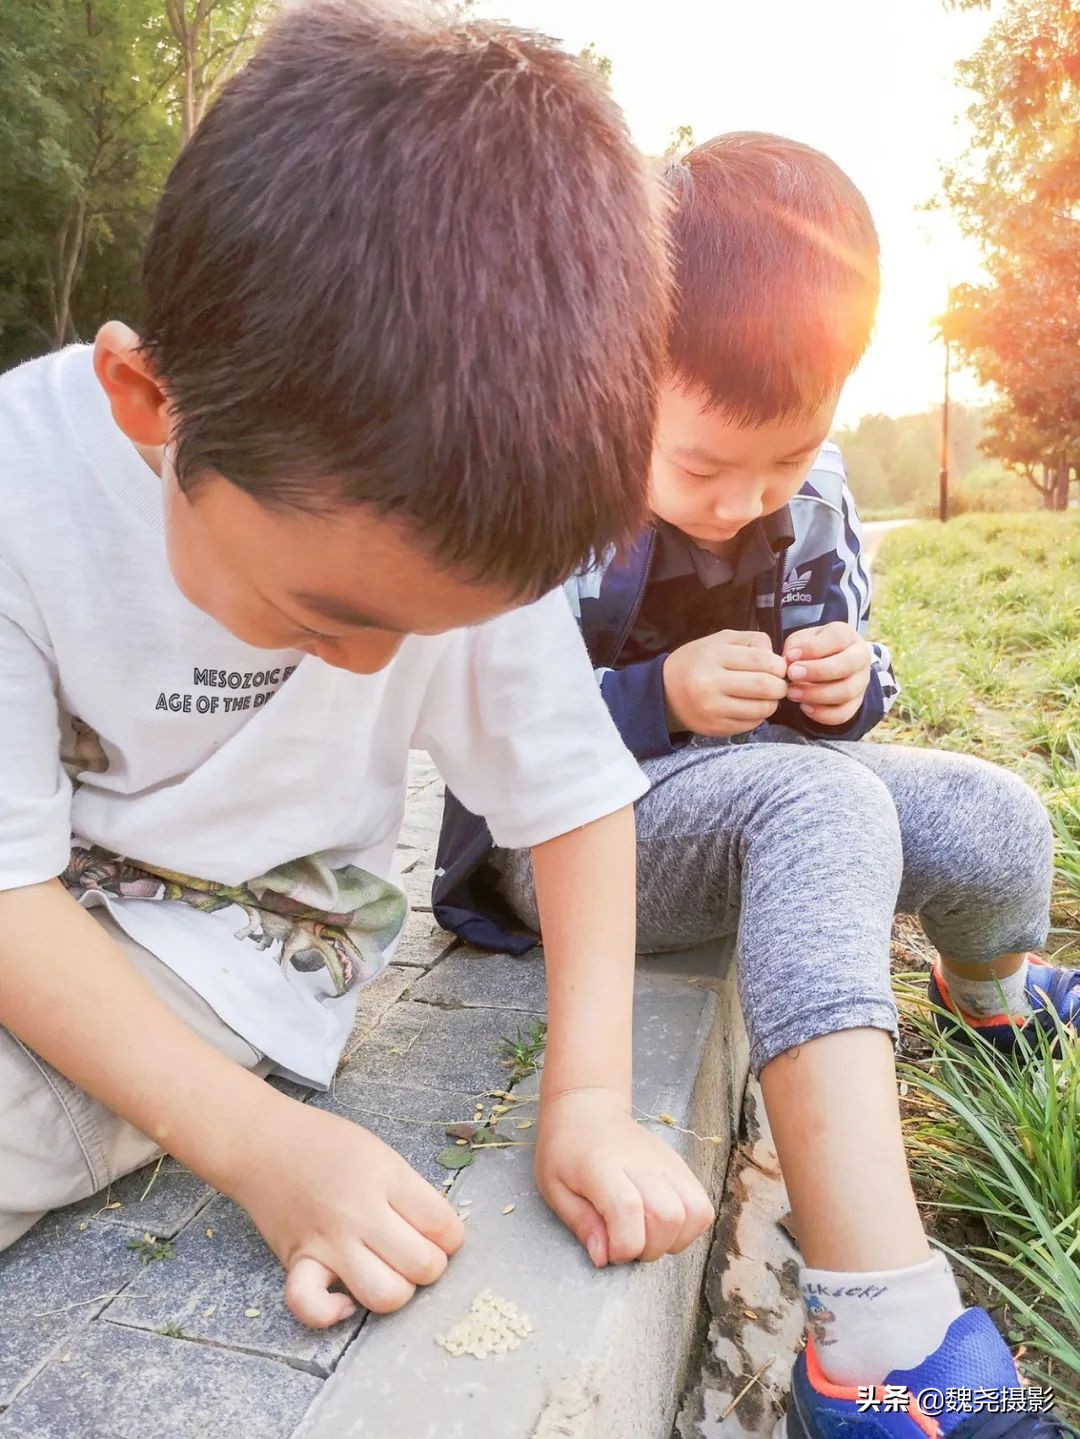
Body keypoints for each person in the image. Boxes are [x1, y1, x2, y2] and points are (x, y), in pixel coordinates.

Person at [0, 0, 718, 1329]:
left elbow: (572, 796)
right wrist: (261, 1151)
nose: (381, 661)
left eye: (431, 628)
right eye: (329, 611)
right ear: (148, 407)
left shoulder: (444, 518)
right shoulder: (18, 489)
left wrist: (590, 1104)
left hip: (239, 933)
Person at [435, 133, 1079, 1436]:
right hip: (582, 829)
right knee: (820, 803)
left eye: (782, 466)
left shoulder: (815, 494)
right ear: (629, 375)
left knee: (996, 813)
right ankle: (878, 1340)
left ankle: (993, 1001)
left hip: (766, 788)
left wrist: (855, 683)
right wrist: (658, 695)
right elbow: (493, 723)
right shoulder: (560, 480)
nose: (743, 505)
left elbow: (839, 686)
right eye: (704, 471)